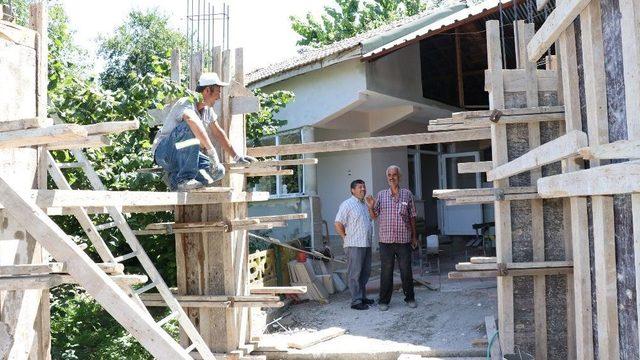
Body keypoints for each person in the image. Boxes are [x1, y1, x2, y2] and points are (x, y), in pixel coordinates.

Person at [152, 72, 256, 191]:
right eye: (218, 91)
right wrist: (211, 151)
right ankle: (184, 179)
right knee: (190, 127)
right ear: (207, 90)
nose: (219, 96)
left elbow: (218, 132)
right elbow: (191, 120)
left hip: (182, 159)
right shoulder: (186, 102)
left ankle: (175, 181)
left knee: (217, 171)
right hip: (164, 153)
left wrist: (237, 157)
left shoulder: (207, 110)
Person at [365, 165, 417, 311]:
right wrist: (370, 207)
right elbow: (374, 216)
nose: (392, 177)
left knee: (406, 270)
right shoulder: (381, 195)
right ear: (387, 177)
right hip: (386, 241)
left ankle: (410, 298)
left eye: (394, 174)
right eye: (389, 175)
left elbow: (412, 216)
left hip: (404, 240)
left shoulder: (407, 194)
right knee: (386, 271)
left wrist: (414, 236)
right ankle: (384, 301)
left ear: (399, 177)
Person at [335, 179, 374, 310]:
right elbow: (338, 223)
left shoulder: (364, 205)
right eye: (359, 187)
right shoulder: (347, 204)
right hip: (354, 245)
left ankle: (362, 297)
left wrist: (370, 207)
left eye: (364, 187)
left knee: (365, 272)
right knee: (355, 274)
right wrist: (345, 237)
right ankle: (356, 301)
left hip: (366, 243)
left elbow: (372, 219)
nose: (363, 189)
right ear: (353, 190)